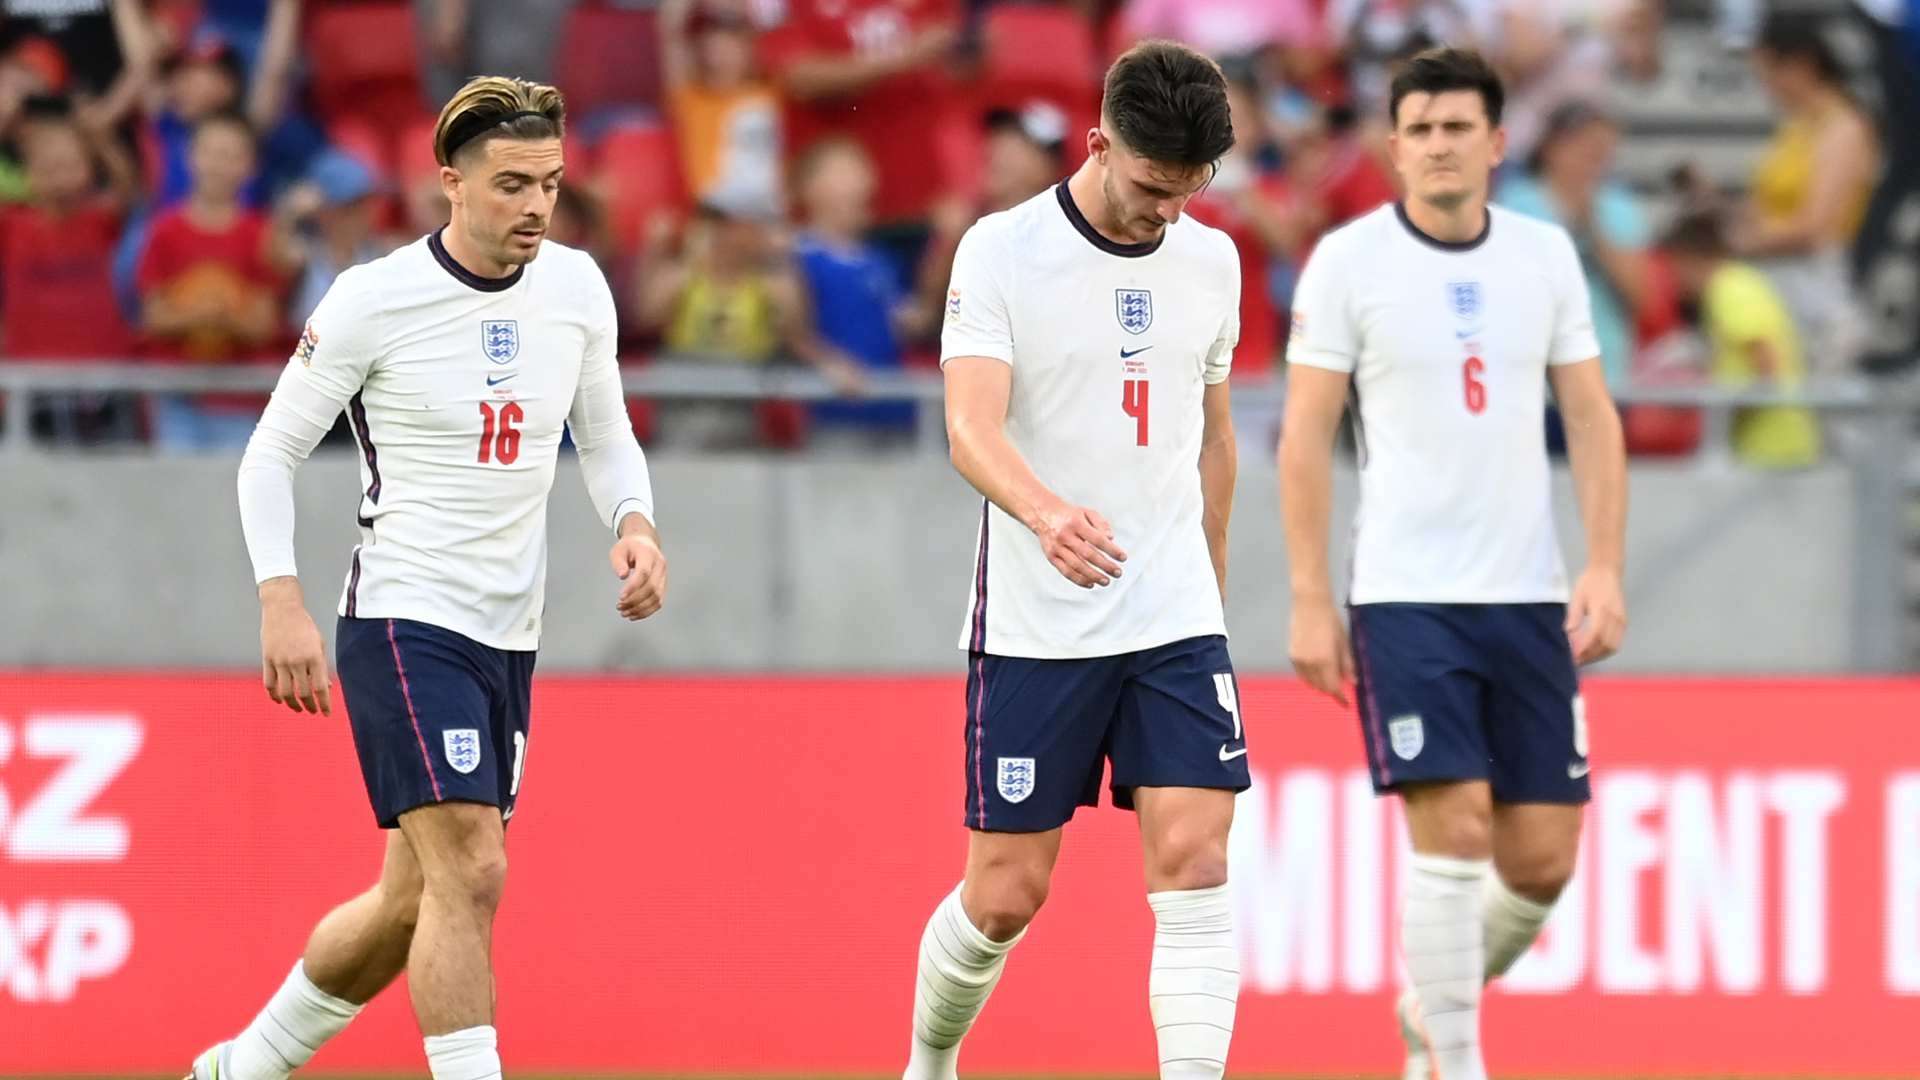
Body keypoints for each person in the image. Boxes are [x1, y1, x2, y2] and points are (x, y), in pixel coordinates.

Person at [192, 76, 666, 1080]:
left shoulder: (579, 288)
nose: (535, 204)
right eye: (509, 184)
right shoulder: (374, 299)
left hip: (511, 633)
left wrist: (634, 523)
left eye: (548, 182)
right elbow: (269, 453)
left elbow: (607, 431)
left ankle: (242, 1067)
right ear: (449, 183)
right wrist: (281, 597)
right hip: (406, 618)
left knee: (415, 900)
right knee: (476, 867)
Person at [1278, 47, 1627, 1080]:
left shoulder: (1544, 255)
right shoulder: (1347, 263)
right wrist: (1308, 597)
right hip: (1405, 594)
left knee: (1541, 863)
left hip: (1526, 593)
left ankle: (1430, 1005)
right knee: (1457, 828)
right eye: (1420, 129)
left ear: (1497, 142)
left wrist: (1602, 566)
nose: (1438, 145)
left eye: (1457, 127)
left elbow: (1591, 413)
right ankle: (1455, 1063)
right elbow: (1304, 437)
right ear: (1394, 149)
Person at [903, 40, 1246, 1080]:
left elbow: (1215, 435)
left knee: (1197, 861)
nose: (1168, 213)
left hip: (1172, 616)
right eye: (1151, 187)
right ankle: (930, 1059)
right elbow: (970, 427)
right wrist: (1047, 516)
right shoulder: (1002, 252)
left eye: (1190, 191)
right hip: (1037, 620)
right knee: (1008, 893)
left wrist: (1209, 592)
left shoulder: (1213, 260)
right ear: (1100, 142)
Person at [1736, 13, 1880, 371]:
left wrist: (1741, 240)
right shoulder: (1795, 127)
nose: (1767, 86)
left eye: (1770, 72)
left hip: (1818, 285)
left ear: (1801, 65)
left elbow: (1815, 227)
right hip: (1775, 281)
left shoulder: (1845, 126)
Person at [1499, 101, 1652, 390]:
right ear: (1552, 146)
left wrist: (1591, 225)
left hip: (1605, 372)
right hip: (1532, 376)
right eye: (1585, 146)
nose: (1593, 158)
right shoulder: (1517, 202)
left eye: (1602, 150)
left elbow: (1640, 295)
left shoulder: (1618, 207)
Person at [1663, 211, 1820, 469]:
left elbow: (1766, 366)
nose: (1675, 282)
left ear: (1687, 259)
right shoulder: (1739, 283)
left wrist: (1722, 420)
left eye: (1674, 268)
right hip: (1769, 446)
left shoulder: (1729, 288)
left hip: (1773, 448)